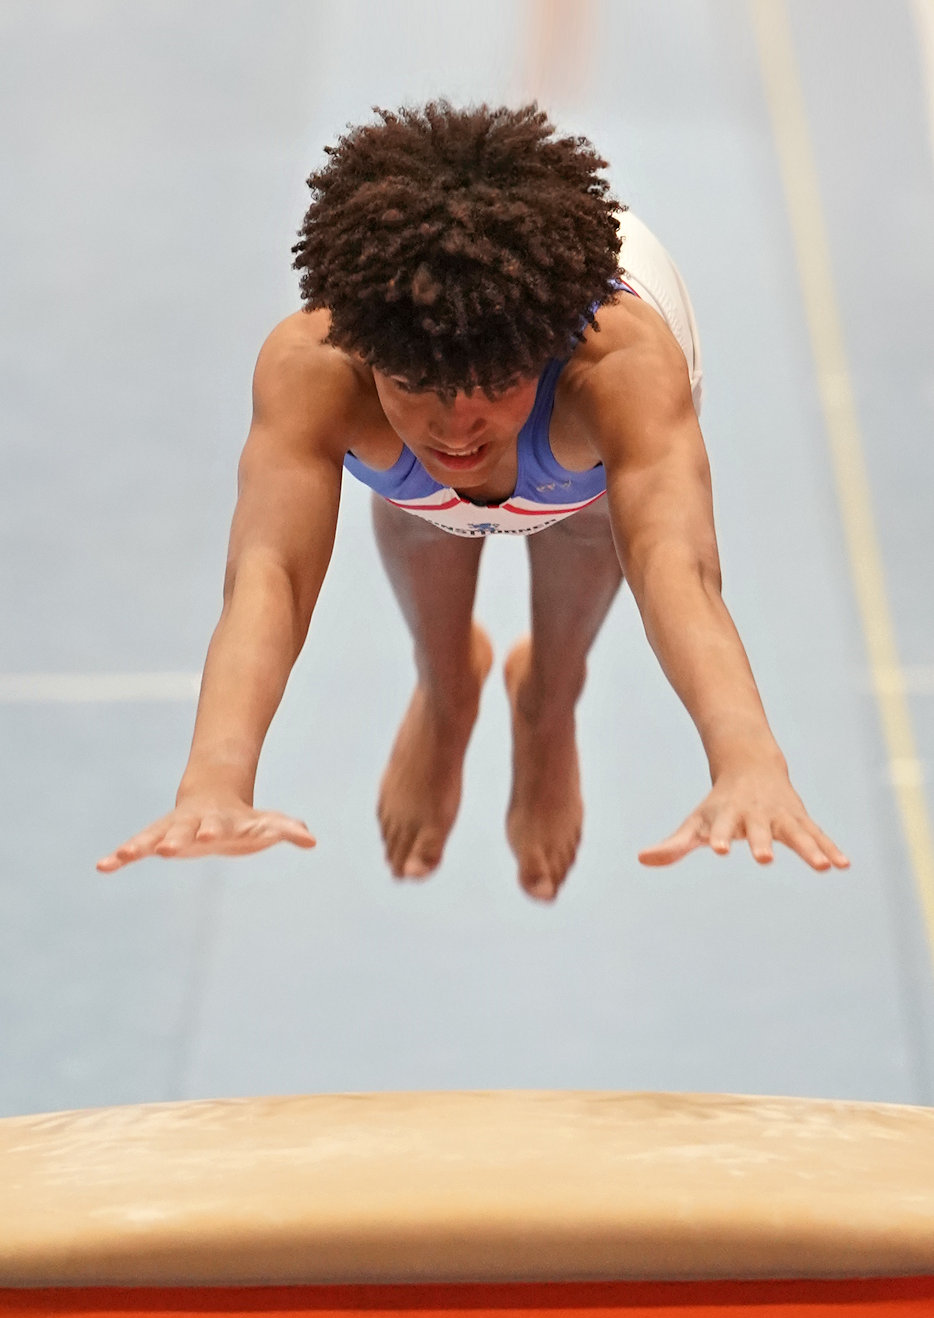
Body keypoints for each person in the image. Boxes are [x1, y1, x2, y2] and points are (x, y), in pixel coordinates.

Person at [97, 101, 849, 901]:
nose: (457, 425)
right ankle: (447, 686)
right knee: (426, 482)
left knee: (577, 513)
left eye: (494, 384)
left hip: (582, 456)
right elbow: (269, 572)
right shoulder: (316, 368)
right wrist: (214, 780)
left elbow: (677, 567)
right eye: (412, 383)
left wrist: (747, 760)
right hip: (446, 442)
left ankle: (549, 699)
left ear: (546, 350)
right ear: (367, 351)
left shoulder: (618, 367)